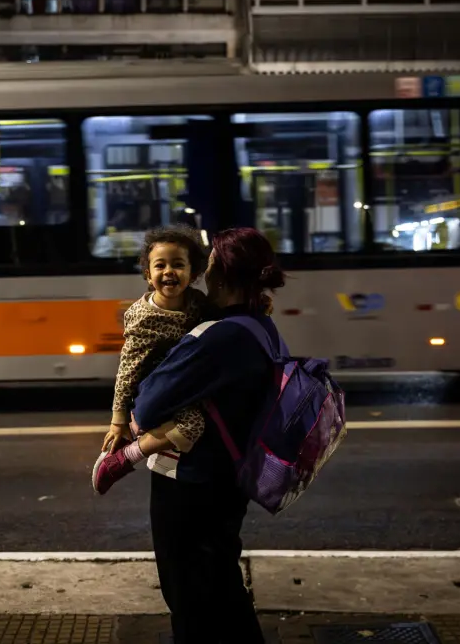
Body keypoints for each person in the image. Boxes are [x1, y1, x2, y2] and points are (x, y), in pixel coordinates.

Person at [132, 227, 286, 643]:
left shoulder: (218, 337)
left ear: (223, 276)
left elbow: (145, 407)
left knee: (190, 595)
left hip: (192, 484)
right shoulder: (261, 326)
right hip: (230, 477)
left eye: (210, 265)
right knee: (221, 584)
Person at [92, 224, 212, 495]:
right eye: (160, 266)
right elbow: (128, 369)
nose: (168, 271)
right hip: (158, 387)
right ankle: (124, 458)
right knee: (192, 426)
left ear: (193, 273)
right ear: (148, 274)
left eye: (178, 265)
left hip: (185, 380)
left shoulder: (196, 301)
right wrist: (118, 420)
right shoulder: (143, 317)